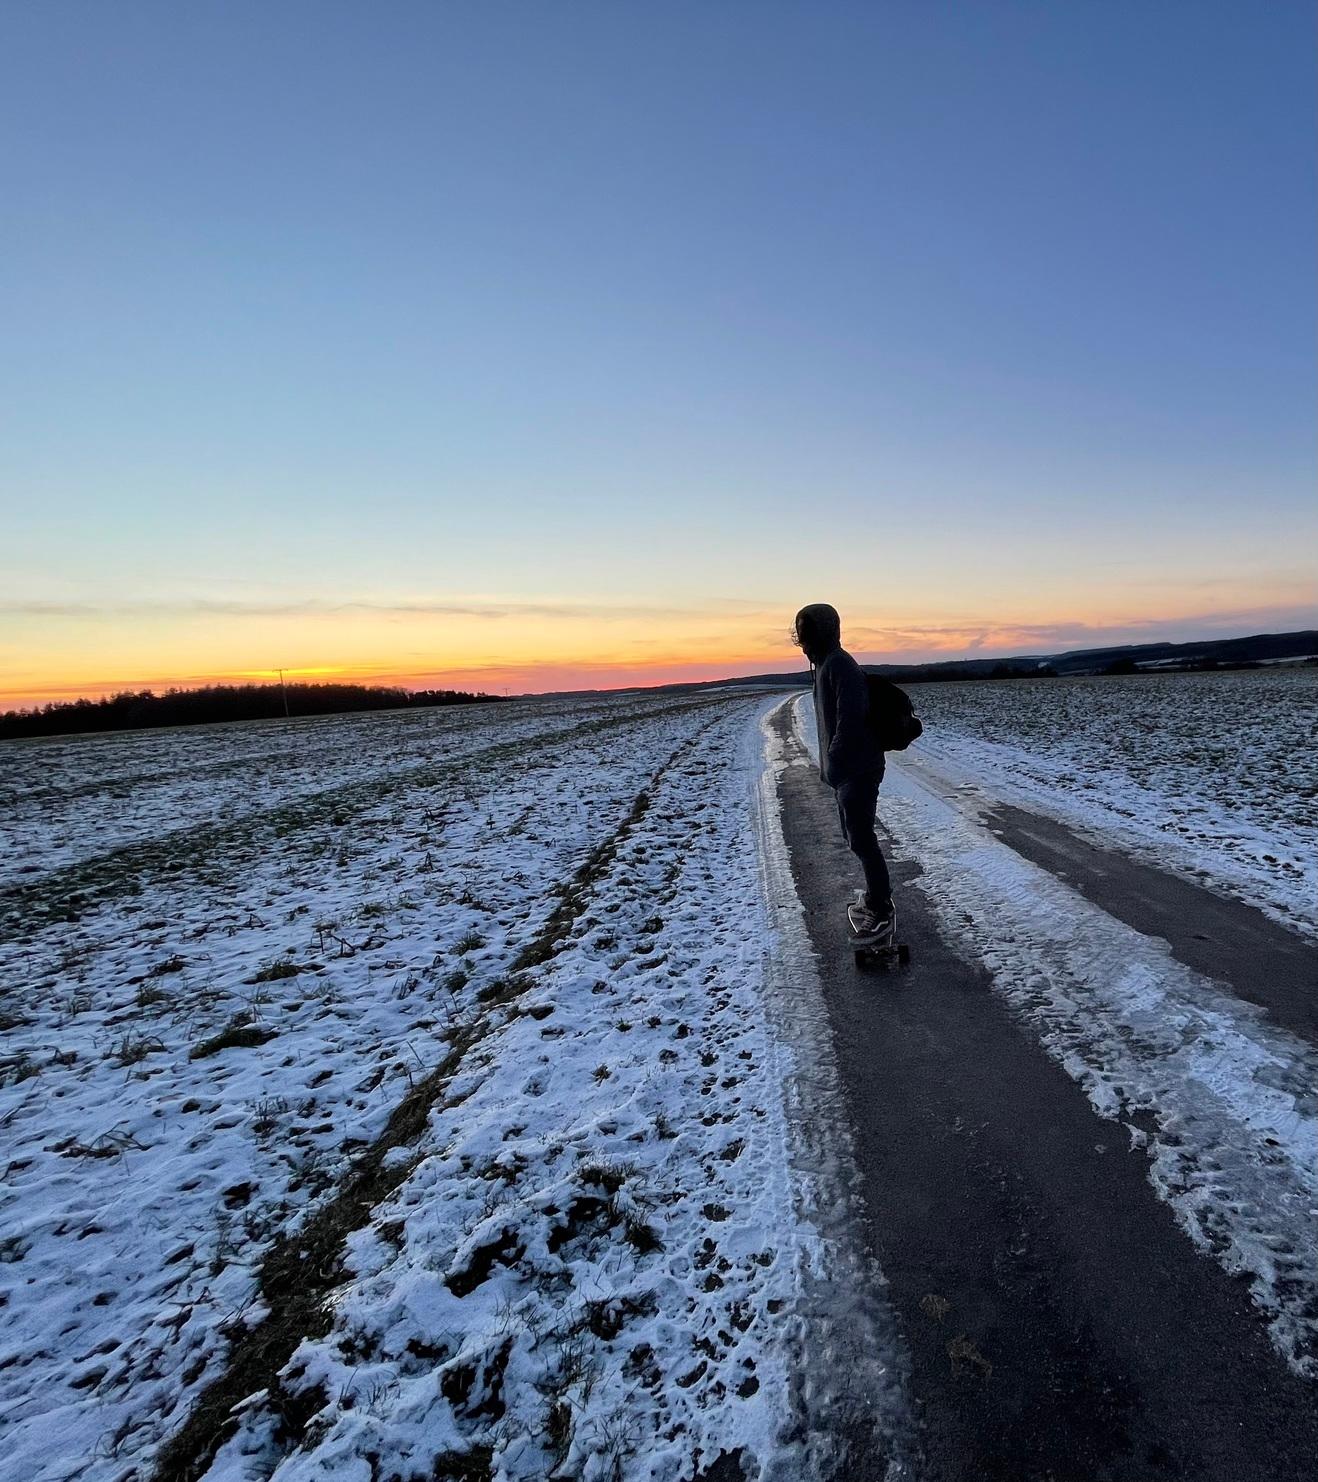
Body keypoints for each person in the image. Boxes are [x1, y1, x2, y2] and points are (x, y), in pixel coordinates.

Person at [793, 602, 894, 942]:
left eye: (807, 634)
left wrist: (835, 760)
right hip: (847, 771)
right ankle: (875, 897)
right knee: (856, 838)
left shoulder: (838, 665)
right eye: (800, 634)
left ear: (824, 632)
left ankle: (881, 911)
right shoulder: (824, 664)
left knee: (863, 839)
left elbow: (850, 721)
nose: (802, 642)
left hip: (859, 768)